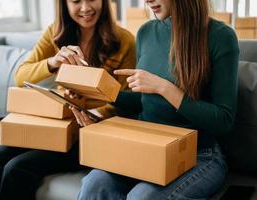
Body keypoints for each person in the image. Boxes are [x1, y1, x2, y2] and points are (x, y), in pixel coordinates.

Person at [0, 0, 136, 199]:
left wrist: (96, 112)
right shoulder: (55, 33)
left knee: (17, 169)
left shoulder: (125, 41)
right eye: (76, 1)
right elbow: (20, 75)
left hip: (92, 134)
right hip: (59, 124)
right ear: (64, 5)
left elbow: (130, 101)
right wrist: (53, 61)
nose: (85, 8)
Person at [77, 0, 239, 199]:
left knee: (142, 197)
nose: (147, 1)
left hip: (199, 154)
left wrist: (165, 88)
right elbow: (143, 101)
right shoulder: (146, 33)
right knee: (94, 184)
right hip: (148, 147)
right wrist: (99, 92)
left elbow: (224, 120)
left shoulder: (221, 36)